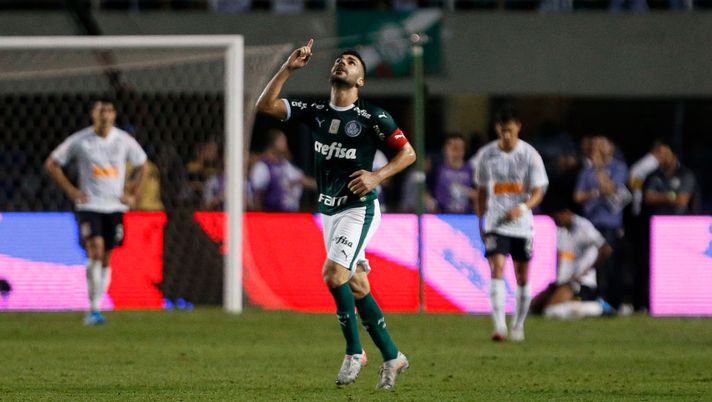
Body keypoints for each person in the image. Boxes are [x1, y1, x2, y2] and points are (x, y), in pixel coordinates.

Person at [256, 39, 415, 389]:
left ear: (360, 82)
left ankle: (354, 352)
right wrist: (288, 68)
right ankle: (393, 356)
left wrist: (376, 175)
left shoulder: (373, 117)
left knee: (333, 274)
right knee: (356, 283)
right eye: (340, 60)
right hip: (329, 210)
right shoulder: (316, 112)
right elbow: (265, 105)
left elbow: (408, 154)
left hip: (360, 209)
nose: (343, 63)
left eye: (352, 63)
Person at [45, 98, 148, 325]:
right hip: (89, 205)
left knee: (107, 256)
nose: (105, 114)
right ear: (93, 115)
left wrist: (133, 193)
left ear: (114, 115)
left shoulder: (123, 140)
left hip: (115, 206)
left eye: (109, 110)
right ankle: (92, 307)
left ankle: (97, 307)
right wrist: (71, 191)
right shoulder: (81, 140)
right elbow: (52, 163)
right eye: (101, 110)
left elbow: (144, 164)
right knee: (96, 249)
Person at [472, 107, 548, 342]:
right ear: (497, 129)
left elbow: (538, 190)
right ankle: (498, 326)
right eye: (502, 131)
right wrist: (480, 220)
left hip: (522, 224)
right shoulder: (486, 155)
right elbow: (482, 190)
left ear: (518, 127)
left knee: (522, 275)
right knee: (496, 268)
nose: (506, 135)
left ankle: (518, 324)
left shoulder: (530, 155)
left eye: (510, 130)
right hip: (496, 221)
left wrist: (523, 207)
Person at [530, 197, 614, 320]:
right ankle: (578, 306)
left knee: (551, 312)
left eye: (557, 217)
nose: (556, 221)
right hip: (563, 280)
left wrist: (587, 270)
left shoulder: (583, 226)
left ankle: (599, 307)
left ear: (566, 212)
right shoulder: (561, 229)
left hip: (580, 282)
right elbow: (561, 255)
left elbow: (606, 249)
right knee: (533, 308)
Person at [573, 135, 631, 310]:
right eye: (595, 144)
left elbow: (610, 188)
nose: (597, 148)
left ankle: (614, 303)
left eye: (601, 144)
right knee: (590, 265)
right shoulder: (586, 171)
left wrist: (598, 168)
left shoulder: (619, 168)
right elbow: (578, 196)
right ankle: (592, 301)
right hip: (590, 225)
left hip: (610, 225)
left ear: (611, 148)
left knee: (611, 265)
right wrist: (596, 193)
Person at [250, 129, 316, 212]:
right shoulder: (262, 166)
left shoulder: (284, 165)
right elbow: (258, 196)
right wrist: (259, 217)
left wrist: (324, 187)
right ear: (273, 144)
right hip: (271, 215)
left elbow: (302, 180)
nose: (285, 144)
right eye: (282, 141)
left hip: (288, 215)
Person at [427, 133, 477, 214]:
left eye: (459, 147)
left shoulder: (472, 170)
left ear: (464, 150)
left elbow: (481, 194)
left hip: (466, 217)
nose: (456, 151)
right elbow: (425, 191)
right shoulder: (437, 169)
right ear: (445, 149)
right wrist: (431, 204)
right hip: (442, 216)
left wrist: (466, 192)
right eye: (453, 147)